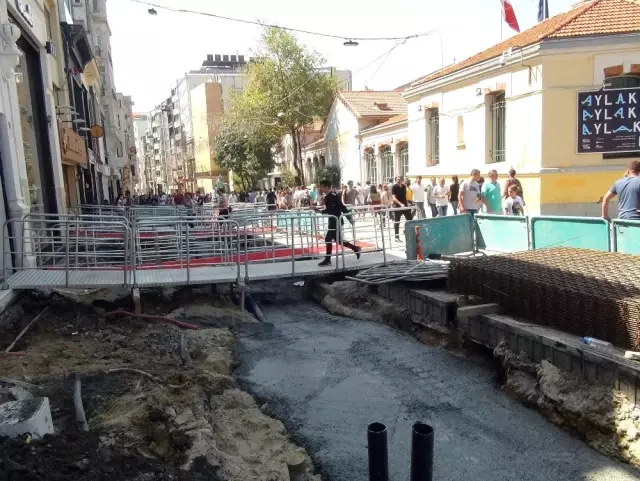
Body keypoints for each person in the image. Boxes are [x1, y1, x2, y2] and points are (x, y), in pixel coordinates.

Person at [317, 180, 361, 267]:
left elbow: (341, 207)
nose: (320, 188)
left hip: (336, 221)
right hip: (333, 221)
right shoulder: (328, 197)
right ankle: (356, 249)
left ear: (327, 187)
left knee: (328, 239)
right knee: (339, 240)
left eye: (322, 187)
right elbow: (333, 209)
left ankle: (328, 259)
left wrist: (349, 218)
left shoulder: (333, 196)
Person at [391, 176, 414, 241]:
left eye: (400, 179)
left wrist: (407, 203)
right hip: (397, 206)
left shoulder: (404, 186)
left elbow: (404, 196)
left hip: (404, 205)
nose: (398, 180)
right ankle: (396, 237)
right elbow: (394, 198)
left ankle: (410, 233)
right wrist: (400, 204)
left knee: (410, 220)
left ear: (402, 180)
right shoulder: (394, 187)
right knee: (397, 221)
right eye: (397, 179)